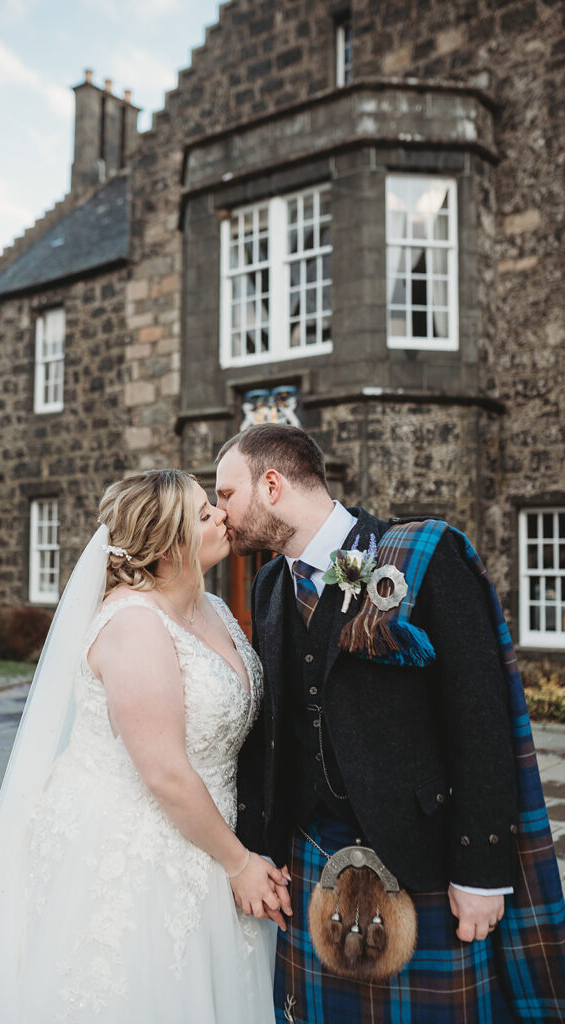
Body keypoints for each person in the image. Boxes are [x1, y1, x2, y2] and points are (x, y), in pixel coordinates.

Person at [215, 423, 565, 1023]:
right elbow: (276, 732)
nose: (222, 514)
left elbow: (480, 720)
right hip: (310, 860)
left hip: (423, 862)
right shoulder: (272, 583)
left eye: (225, 495)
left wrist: (482, 873)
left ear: (271, 484)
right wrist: (255, 851)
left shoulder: (426, 555)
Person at [0, 469, 285, 1023]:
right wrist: (238, 862)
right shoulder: (134, 625)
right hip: (140, 841)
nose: (221, 515)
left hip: (208, 828)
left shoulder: (212, 608)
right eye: (202, 513)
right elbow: (165, 770)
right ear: (166, 547)